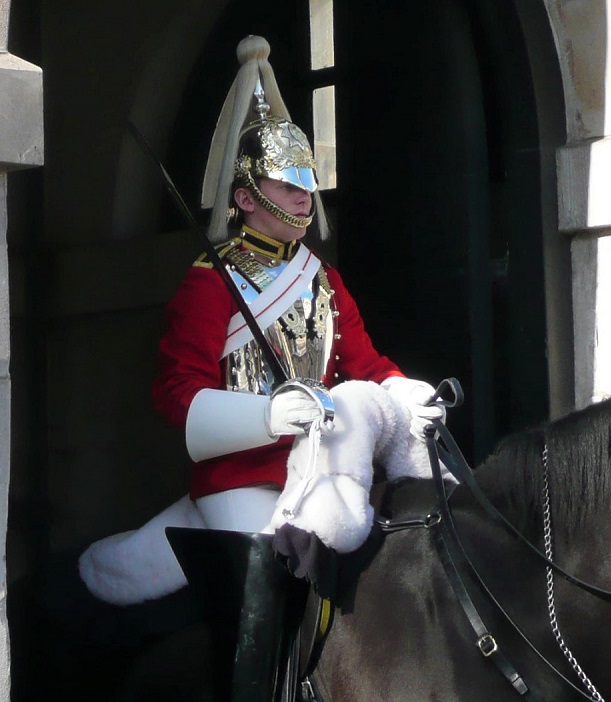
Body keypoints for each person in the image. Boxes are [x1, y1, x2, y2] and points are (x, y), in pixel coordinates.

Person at [79, 35, 446, 699]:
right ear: (247, 198)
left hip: (325, 470)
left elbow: (360, 360)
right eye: (287, 183)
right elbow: (174, 392)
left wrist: (403, 390)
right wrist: (264, 414)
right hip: (238, 480)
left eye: (307, 182)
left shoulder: (325, 280)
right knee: (270, 572)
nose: (304, 196)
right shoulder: (209, 283)